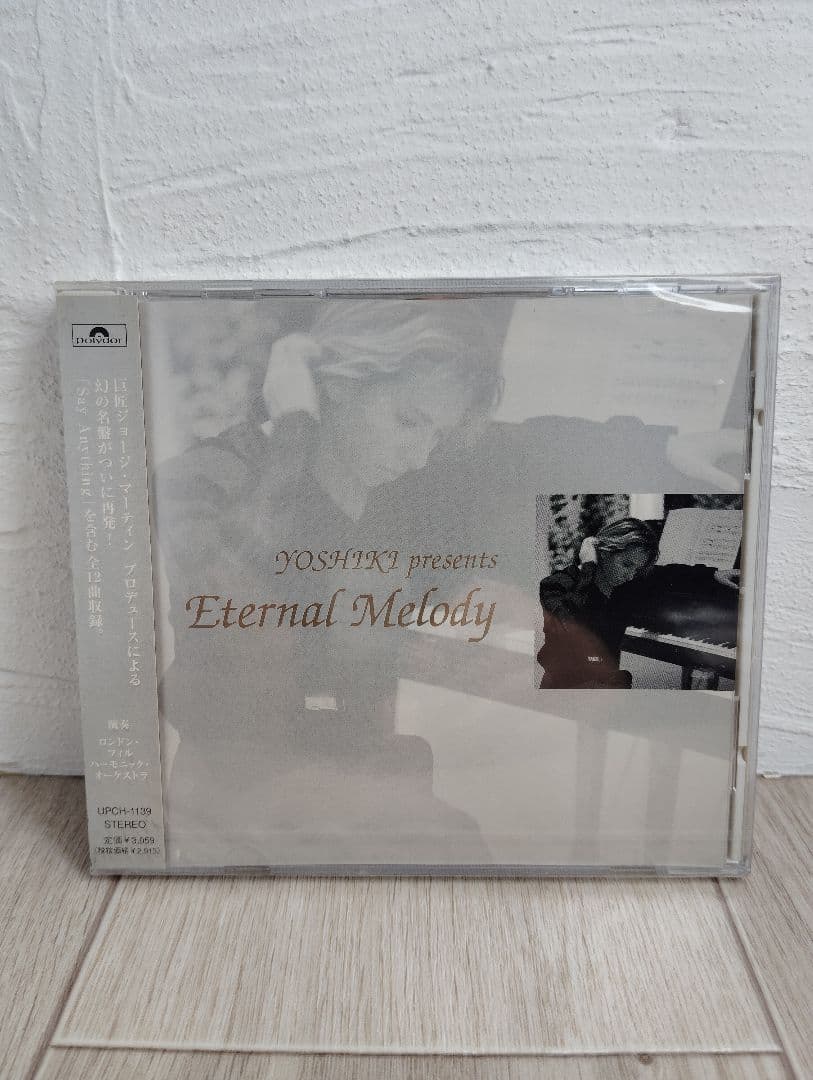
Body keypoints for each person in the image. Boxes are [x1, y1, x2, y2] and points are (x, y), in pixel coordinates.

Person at [153, 300, 502, 867]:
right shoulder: (200, 481)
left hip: (343, 773)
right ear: (338, 385)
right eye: (409, 422)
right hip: (242, 789)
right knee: (456, 843)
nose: (419, 457)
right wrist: (295, 425)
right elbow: (245, 607)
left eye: (435, 435)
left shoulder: (381, 492)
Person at [537, 517, 659, 689]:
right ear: (604, 551)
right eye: (626, 564)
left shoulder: (622, 589)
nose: (630, 576)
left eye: (636, 569)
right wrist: (589, 567)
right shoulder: (555, 585)